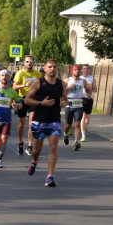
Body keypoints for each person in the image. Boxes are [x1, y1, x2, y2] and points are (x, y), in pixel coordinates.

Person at [23, 58, 67, 187]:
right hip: (39, 121)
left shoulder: (61, 84)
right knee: (37, 150)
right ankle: (35, 160)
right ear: (45, 68)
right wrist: (41, 103)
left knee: (53, 148)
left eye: (54, 67)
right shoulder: (38, 83)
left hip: (54, 120)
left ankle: (50, 176)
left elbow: (65, 98)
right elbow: (27, 100)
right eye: (50, 67)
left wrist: (65, 103)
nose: (52, 69)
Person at [12, 56, 41, 156]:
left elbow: (41, 86)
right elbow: (14, 86)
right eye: (27, 61)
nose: (29, 63)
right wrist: (24, 85)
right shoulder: (20, 73)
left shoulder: (37, 74)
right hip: (22, 99)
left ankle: (29, 145)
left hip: (33, 99)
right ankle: (20, 142)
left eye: (31, 61)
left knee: (31, 124)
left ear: (33, 63)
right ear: (24, 63)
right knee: (21, 123)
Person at [63, 65, 87, 151]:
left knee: (77, 124)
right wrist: (69, 87)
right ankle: (65, 134)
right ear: (72, 71)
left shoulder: (83, 81)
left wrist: (88, 93)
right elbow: (61, 90)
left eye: (78, 70)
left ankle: (76, 142)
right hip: (69, 104)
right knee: (68, 125)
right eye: (75, 70)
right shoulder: (67, 80)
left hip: (79, 105)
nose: (77, 71)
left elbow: (88, 88)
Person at [80, 64, 96, 141]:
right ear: (82, 70)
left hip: (89, 99)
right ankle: (83, 135)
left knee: (87, 120)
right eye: (84, 69)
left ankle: (85, 126)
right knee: (83, 117)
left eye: (87, 69)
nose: (85, 70)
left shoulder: (92, 78)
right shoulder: (79, 78)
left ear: (89, 70)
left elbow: (95, 90)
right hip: (81, 99)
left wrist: (92, 88)